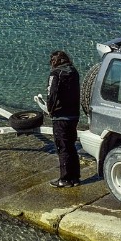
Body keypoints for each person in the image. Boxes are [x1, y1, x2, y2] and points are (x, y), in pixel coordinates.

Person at [46, 50, 81, 188]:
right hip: (74, 115)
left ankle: (65, 179)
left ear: (54, 61)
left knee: (62, 147)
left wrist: (50, 110)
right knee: (71, 146)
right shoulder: (74, 72)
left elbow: (52, 93)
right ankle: (75, 178)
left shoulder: (56, 74)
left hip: (61, 116)